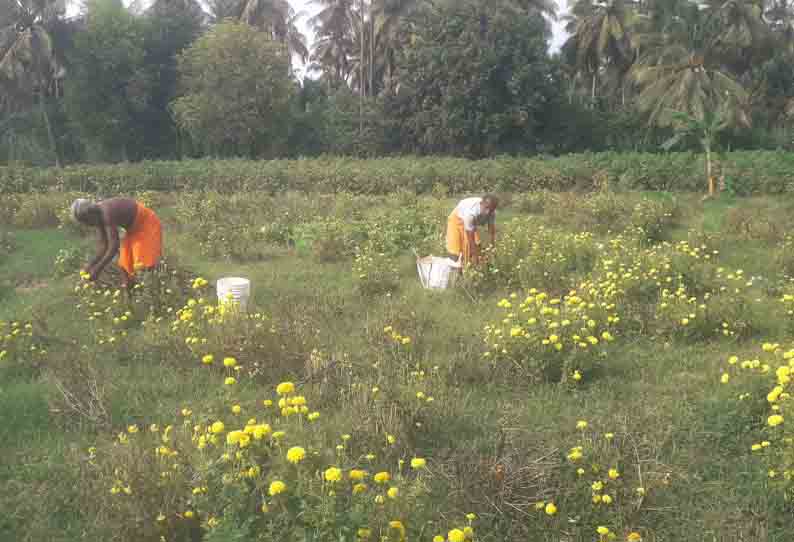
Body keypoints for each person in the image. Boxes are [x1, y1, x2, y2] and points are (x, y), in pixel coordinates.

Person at [71, 197, 162, 287]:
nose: (88, 225)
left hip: (147, 224)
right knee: (124, 264)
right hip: (133, 230)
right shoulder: (98, 217)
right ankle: (131, 293)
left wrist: (97, 270)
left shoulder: (107, 212)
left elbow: (114, 246)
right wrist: (89, 266)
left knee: (143, 264)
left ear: (91, 212)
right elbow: (103, 246)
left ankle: (154, 290)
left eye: (87, 221)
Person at [446, 194, 498, 266]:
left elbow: (491, 232)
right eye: (486, 208)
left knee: (478, 247)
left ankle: (471, 268)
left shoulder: (492, 213)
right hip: (456, 219)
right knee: (455, 252)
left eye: (491, 210)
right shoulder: (470, 214)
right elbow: (470, 239)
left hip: (470, 223)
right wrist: (475, 256)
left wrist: (492, 249)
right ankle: (456, 270)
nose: (487, 212)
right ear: (481, 204)